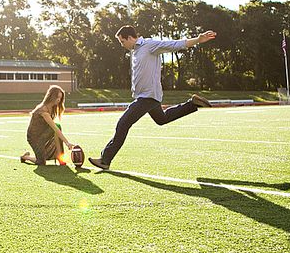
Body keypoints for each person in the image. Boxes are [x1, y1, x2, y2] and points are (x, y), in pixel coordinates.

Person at [89, 24, 217, 170]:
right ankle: (192, 104)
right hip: (146, 96)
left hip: (147, 97)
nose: (122, 45)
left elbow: (174, 44)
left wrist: (198, 39)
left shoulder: (149, 45)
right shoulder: (135, 51)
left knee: (123, 124)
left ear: (130, 37)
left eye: (122, 41)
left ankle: (105, 160)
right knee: (161, 119)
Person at [20, 84, 75, 166]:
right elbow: (54, 128)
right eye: (57, 97)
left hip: (43, 134)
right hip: (34, 138)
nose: (59, 100)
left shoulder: (52, 108)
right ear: (51, 96)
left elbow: (55, 129)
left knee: (58, 126)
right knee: (41, 162)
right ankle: (25, 157)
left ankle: (60, 157)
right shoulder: (43, 109)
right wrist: (67, 142)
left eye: (60, 98)